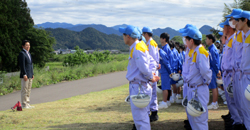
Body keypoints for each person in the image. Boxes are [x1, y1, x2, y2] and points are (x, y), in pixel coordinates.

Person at [119, 25, 159, 130]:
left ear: (128, 36)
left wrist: (151, 77)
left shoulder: (137, 48)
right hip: (140, 86)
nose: (122, 37)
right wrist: (152, 74)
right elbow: (152, 62)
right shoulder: (139, 46)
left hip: (139, 87)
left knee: (141, 120)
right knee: (142, 118)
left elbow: (144, 68)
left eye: (123, 35)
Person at [181, 26, 212, 130]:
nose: (185, 41)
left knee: (200, 120)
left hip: (199, 89)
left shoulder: (200, 51)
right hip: (193, 89)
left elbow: (205, 71)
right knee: (193, 119)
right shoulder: (194, 51)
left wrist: (206, 82)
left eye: (186, 39)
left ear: (191, 40)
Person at [220, 18, 243, 129]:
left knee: (235, 103)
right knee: (231, 102)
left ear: (229, 28)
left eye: (224, 27)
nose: (222, 29)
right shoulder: (229, 40)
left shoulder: (234, 39)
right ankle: (234, 122)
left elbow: (235, 60)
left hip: (232, 74)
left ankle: (238, 123)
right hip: (227, 74)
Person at [234, 10, 250, 130]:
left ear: (245, 21)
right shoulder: (243, 36)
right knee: (244, 108)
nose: (235, 22)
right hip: (243, 76)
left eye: (238, 20)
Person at [142, 27, 160, 122]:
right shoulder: (149, 43)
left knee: (152, 93)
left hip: (152, 71)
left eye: (143, 34)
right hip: (152, 71)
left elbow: (152, 59)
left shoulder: (151, 44)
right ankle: (152, 111)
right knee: (151, 93)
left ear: (146, 34)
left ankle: (154, 113)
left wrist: (152, 73)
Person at [158, 32, 173, 109]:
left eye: (161, 38)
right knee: (166, 86)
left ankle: (164, 102)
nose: (160, 39)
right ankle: (166, 101)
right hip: (164, 70)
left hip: (165, 71)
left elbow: (166, 61)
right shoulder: (165, 47)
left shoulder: (165, 48)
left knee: (165, 87)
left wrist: (170, 72)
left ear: (164, 39)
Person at [205, 34, 221, 110]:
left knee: (214, 87)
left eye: (207, 39)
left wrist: (217, 70)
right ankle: (215, 102)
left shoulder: (212, 49)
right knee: (214, 87)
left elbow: (214, 62)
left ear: (211, 40)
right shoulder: (212, 48)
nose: (205, 40)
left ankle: (214, 103)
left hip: (213, 70)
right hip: (213, 70)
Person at [18, 40, 35, 109]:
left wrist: (32, 73)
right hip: (25, 75)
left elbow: (30, 65)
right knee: (24, 90)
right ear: (23, 46)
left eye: (29, 45)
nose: (28, 46)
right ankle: (24, 104)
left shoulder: (29, 53)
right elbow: (22, 65)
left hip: (30, 74)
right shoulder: (22, 53)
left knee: (28, 90)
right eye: (26, 45)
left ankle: (27, 103)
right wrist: (24, 74)